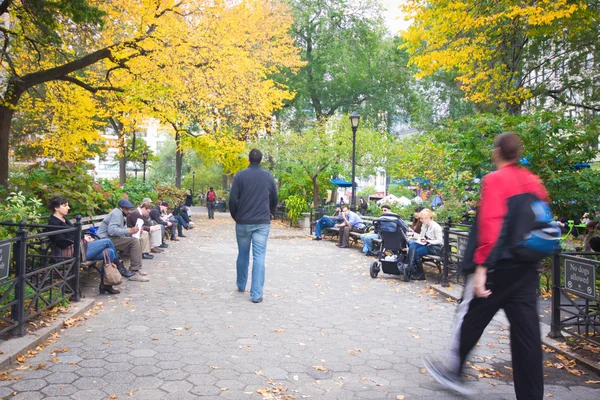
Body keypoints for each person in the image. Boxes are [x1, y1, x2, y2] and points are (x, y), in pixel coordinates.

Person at [424, 132, 547, 399]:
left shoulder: (495, 180)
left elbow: (491, 224)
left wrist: (480, 269)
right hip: (526, 269)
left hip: (496, 268)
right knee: (527, 337)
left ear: (497, 152)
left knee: (470, 317)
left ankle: (453, 372)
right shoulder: (533, 181)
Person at [46, 196, 131, 295]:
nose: (68, 208)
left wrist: (85, 237)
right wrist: (82, 239)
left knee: (110, 252)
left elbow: (75, 234)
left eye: (68, 205)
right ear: (56, 208)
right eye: (65, 205)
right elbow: (62, 242)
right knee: (107, 241)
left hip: (80, 249)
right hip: (70, 253)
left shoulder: (64, 220)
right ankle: (119, 265)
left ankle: (106, 285)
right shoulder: (53, 223)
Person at [229, 149, 278, 303]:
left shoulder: (240, 176)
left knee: (243, 254)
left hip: (243, 221)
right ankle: (256, 294)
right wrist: (270, 212)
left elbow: (232, 199)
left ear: (248, 159)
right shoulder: (267, 176)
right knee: (259, 257)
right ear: (261, 160)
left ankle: (241, 285)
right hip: (261, 223)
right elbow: (275, 198)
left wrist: (235, 216)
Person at [97, 199, 150, 282]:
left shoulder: (122, 214)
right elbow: (112, 230)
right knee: (134, 242)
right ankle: (135, 272)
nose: (129, 211)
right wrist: (129, 231)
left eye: (129, 209)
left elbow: (123, 231)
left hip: (111, 239)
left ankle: (135, 269)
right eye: (127, 209)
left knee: (136, 240)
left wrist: (134, 231)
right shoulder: (116, 213)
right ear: (121, 208)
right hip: (105, 240)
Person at [406, 208, 443, 280]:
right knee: (412, 245)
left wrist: (429, 241)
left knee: (416, 252)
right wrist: (415, 236)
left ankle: (420, 273)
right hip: (425, 244)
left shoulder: (436, 227)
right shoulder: (425, 225)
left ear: (427, 218)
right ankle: (410, 267)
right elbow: (420, 237)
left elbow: (440, 241)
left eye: (422, 218)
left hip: (434, 247)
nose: (420, 220)